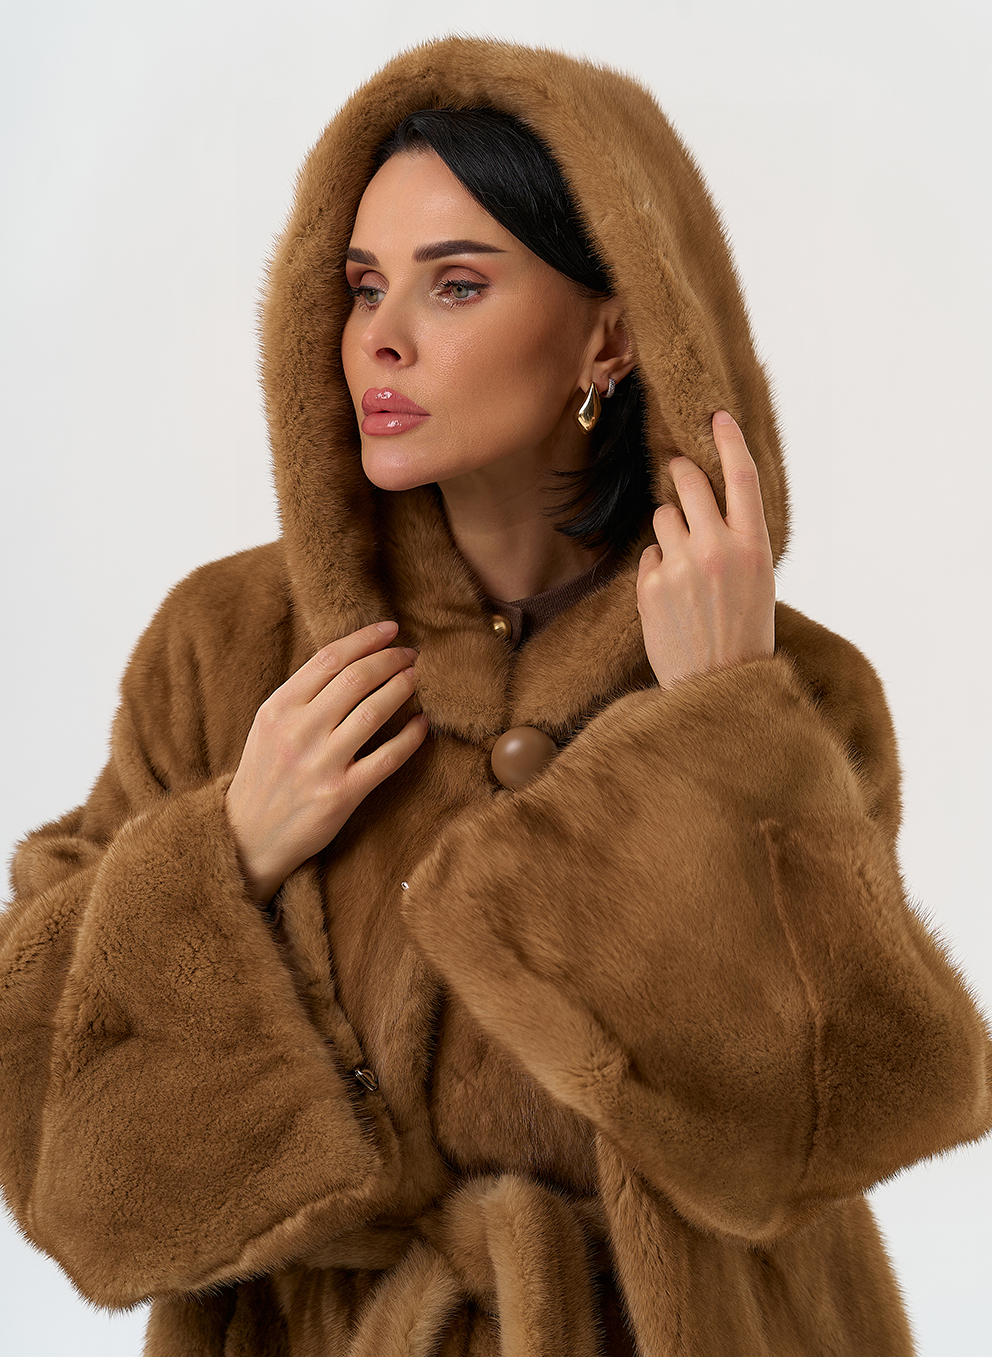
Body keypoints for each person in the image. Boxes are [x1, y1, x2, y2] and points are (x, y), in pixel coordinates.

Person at [1, 35, 989, 1357]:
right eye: (362, 287)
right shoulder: (229, 650)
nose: (381, 337)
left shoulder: (785, 689)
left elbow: (817, 1129)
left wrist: (715, 736)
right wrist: (225, 853)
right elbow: (48, 1119)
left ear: (611, 334)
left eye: (455, 284)